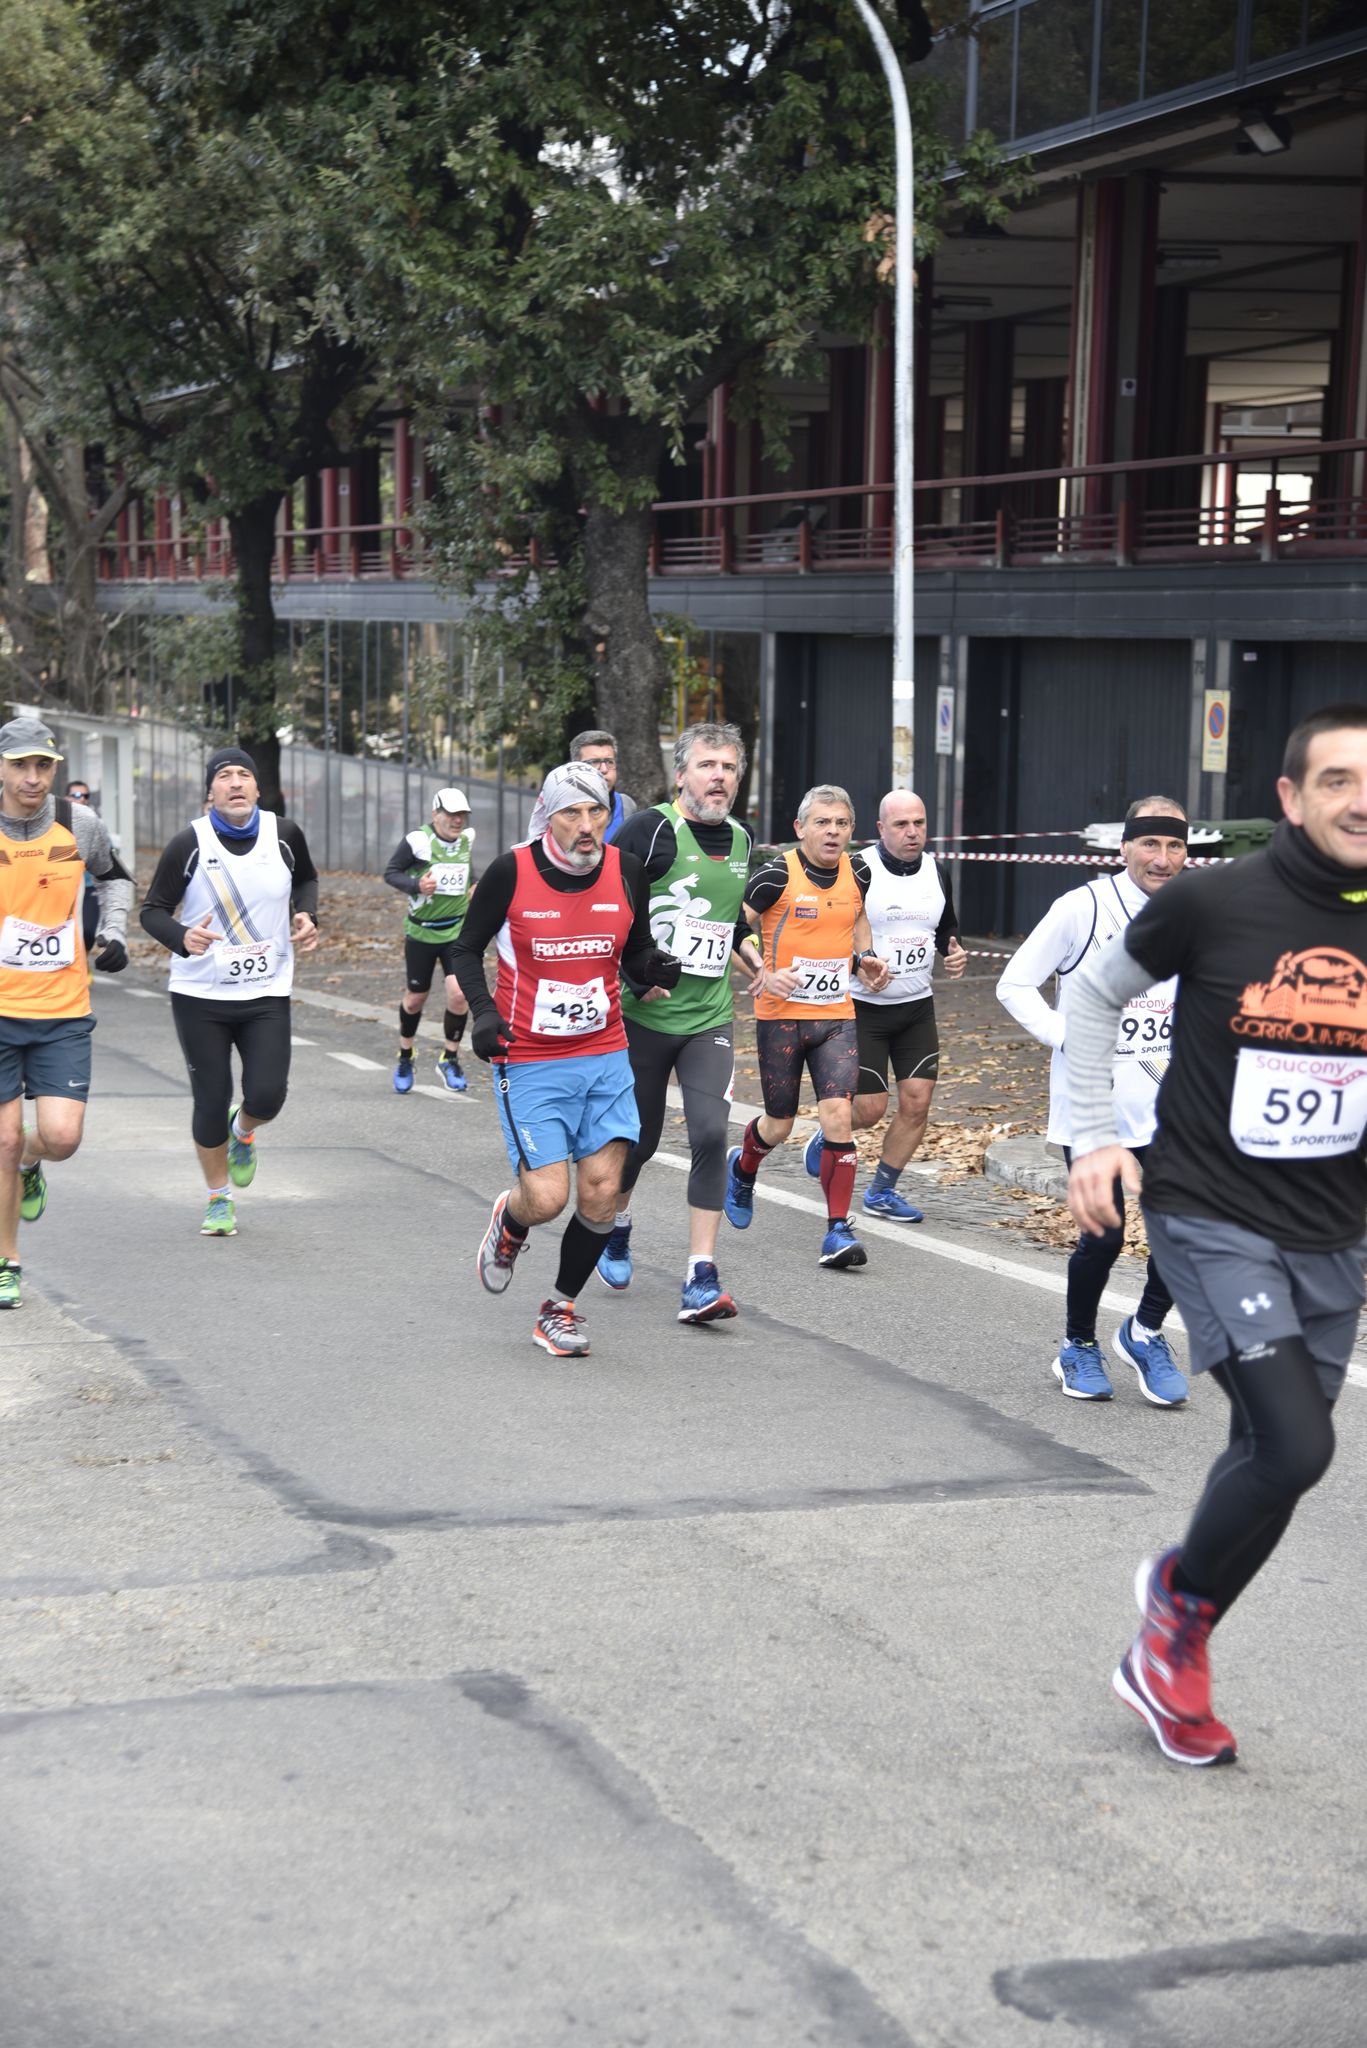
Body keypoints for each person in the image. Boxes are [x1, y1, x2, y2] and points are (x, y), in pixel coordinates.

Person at [1066, 707, 1367, 1767]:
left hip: (1333, 1232)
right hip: (1208, 1211)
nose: (1358, 801)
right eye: (1335, 779)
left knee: (1269, 1454)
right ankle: (1176, 1609)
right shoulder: (1213, 899)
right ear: (1289, 796)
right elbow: (1092, 996)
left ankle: (1170, 1645)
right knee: (1296, 1444)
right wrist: (1094, 1137)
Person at [453, 761, 681, 1357]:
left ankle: (559, 1309)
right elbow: (465, 948)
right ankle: (512, 1221)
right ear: (547, 816)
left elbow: (634, 950)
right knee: (548, 1198)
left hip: (605, 1051)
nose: (585, 825)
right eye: (571, 813)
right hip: (529, 1058)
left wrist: (652, 968)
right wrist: (483, 1013)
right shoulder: (512, 871)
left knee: (603, 1189)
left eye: (596, 811)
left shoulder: (626, 870)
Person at [996, 799, 1191, 1408]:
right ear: (1124, 847)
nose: (1162, 859)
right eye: (1150, 844)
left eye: (1175, 846)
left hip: (1170, 1105)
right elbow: (1014, 982)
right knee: (1104, 1237)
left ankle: (1144, 1332)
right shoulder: (1082, 908)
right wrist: (1065, 1035)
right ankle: (1077, 1346)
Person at [597, 721, 758, 1323]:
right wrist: (637, 976)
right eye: (707, 765)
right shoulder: (649, 831)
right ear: (682, 774)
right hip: (642, 1018)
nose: (719, 777)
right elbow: (608, 910)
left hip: (708, 1018)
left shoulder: (742, 839)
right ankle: (617, 1224)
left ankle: (701, 1275)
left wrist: (759, 965)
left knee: (712, 1134)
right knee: (637, 1143)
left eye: (729, 767)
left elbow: (729, 923)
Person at [141, 747, 319, 1237]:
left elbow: (305, 878)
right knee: (210, 1097)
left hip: (266, 991)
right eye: (224, 775)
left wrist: (307, 914)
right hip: (200, 996)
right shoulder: (189, 843)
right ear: (210, 791)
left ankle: (243, 1129)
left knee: (268, 1095)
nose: (235, 782)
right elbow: (152, 910)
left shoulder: (284, 835)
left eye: (244, 774)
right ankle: (218, 1198)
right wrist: (181, 937)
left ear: (258, 788)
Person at [723, 784, 889, 1269]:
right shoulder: (776, 874)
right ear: (800, 828)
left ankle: (837, 1229)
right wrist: (762, 973)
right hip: (781, 1017)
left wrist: (865, 957)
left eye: (841, 823)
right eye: (822, 822)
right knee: (780, 1123)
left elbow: (858, 917)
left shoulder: (859, 872)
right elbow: (732, 928)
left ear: (851, 830)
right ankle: (743, 1167)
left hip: (836, 1016)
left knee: (837, 1115)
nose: (832, 832)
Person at [0, 717, 132, 1308]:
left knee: (61, 1137)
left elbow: (115, 879)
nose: (32, 778)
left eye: (42, 765)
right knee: (2, 1141)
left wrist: (114, 931)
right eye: (20, 765)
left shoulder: (78, 822)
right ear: (1, 768)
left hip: (62, 1010)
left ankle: (34, 1160)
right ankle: (7, 1261)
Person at [804, 789, 966, 1222]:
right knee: (869, 1109)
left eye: (919, 823)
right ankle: (829, 1131)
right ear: (880, 828)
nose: (913, 832)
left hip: (916, 1007)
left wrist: (953, 950)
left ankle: (881, 1191)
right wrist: (858, 964)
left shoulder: (937, 870)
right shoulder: (857, 869)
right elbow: (826, 931)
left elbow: (946, 927)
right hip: (863, 1008)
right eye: (901, 824)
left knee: (917, 1102)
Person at [382, 788, 475, 1095]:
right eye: (451, 814)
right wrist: (416, 885)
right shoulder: (418, 841)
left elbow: (467, 874)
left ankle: (450, 1058)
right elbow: (391, 873)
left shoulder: (467, 840)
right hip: (422, 932)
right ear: (435, 814)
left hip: (456, 931)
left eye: (462, 815)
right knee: (415, 999)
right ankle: (405, 1054)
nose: (458, 820)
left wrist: (475, 886)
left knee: (459, 994)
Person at [569, 730, 636, 844]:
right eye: (594, 762)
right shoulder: (561, 808)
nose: (604, 769)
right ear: (574, 768)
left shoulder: (626, 805)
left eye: (609, 762)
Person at [64, 779, 101, 955]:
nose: (82, 799)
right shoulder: (55, 824)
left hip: (89, 888)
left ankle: (83, 961)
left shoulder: (96, 824)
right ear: (66, 798)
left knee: (87, 932)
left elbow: (106, 859)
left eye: (85, 796)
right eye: (77, 795)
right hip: (63, 888)